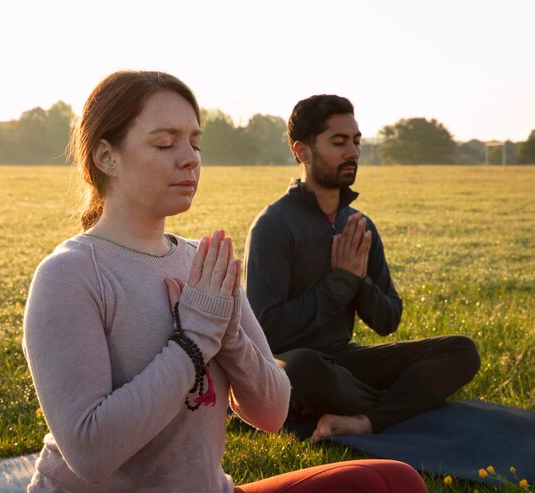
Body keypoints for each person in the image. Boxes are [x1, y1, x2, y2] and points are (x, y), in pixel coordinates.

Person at [23, 72, 428, 493]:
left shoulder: (203, 262)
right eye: (165, 143)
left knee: (392, 481)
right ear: (106, 156)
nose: (190, 158)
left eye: (195, 143)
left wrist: (228, 333)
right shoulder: (71, 274)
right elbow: (90, 454)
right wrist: (193, 341)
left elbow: (272, 412)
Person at [244, 94, 481, 445]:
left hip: (345, 363)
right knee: (305, 367)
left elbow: (388, 321)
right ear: (302, 151)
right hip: (290, 368)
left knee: (460, 351)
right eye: (338, 142)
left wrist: (359, 281)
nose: (353, 152)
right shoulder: (274, 225)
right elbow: (265, 331)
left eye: (356, 141)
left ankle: (365, 420)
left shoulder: (358, 225)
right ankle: (400, 404)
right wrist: (341, 281)